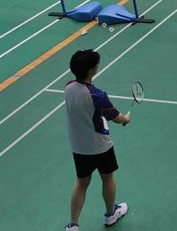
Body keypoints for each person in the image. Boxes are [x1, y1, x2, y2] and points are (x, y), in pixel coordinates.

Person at [63, 49, 129, 231]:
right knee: (107, 178)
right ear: (92, 70)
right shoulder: (97, 95)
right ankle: (110, 214)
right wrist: (126, 118)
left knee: (81, 183)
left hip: (79, 147)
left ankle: (73, 225)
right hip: (100, 146)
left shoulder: (68, 87)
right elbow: (116, 117)